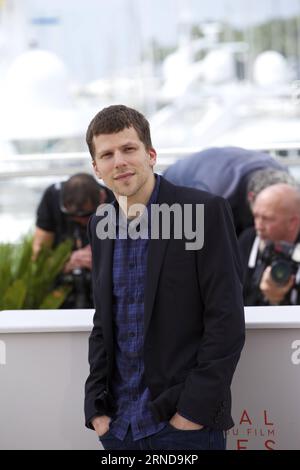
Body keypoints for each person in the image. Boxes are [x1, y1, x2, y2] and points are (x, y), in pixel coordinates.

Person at [84, 104, 245, 450]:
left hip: (183, 425)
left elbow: (226, 318)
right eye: (107, 154)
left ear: (151, 154)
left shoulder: (203, 212)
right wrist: (96, 410)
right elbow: (103, 322)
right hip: (118, 428)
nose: (120, 162)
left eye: (129, 149)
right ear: (97, 168)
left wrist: (192, 412)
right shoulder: (100, 225)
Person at [163, 147, 292, 236]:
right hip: (178, 182)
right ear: (252, 198)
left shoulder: (285, 181)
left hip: (229, 169)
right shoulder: (214, 193)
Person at [33, 172, 113, 308]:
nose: (82, 222)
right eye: (73, 217)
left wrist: (102, 262)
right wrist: (64, 263)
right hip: (61, 288)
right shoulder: (52, 197)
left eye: (87, 216)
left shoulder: (116, 200)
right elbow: (38, 257)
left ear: (102, 197)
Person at [238, 183, 300, 306]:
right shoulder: (248, 240)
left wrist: (278, 300)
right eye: (256, 216)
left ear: (293, 222)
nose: (258, 226)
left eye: (267, 219)